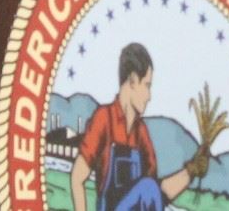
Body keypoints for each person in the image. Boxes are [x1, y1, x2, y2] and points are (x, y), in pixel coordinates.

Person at [70, 43, 207, 210]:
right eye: (147, 85)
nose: (149, 96)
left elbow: (159, 193)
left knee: (150, 188)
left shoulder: (141, 132)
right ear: (133, 80)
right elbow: (77, 178)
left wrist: (191, 171)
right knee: (148, 188)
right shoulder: (104, 119)